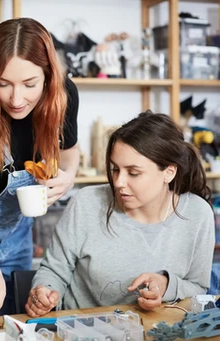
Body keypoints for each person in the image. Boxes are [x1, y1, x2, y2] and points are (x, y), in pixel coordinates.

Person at [26, 111, 215, 317]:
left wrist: (166, 285)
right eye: (115, 169)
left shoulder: (198, 214)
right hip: (81, 330)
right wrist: (44, 292)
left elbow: (199, 288)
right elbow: (54, 271)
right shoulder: (86, 203)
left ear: (169, 172)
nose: (118, 182)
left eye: (133, 173)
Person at [0, 17, 80, 317]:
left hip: (20, 235)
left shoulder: (63, 96)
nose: (16, 98)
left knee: (14, 320)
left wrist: (69, 177)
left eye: (29, 84)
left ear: (48, 76)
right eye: (3, 84)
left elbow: (70, 152)